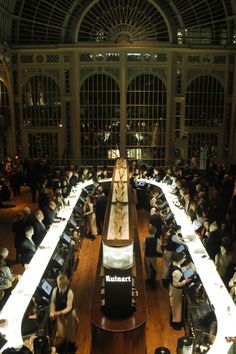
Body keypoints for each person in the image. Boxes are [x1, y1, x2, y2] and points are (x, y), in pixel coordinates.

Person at [49, 274, 79, 354]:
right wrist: (52, 311)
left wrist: (59, 312)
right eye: (58, 283)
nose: (58, 285)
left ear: (65, 283)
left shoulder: (69, 293)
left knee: (71, 332)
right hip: (60, 316)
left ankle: (72, 348)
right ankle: (64, 347)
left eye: (60, 283)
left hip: (69, 315)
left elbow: (69, 307)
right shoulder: (55, 291)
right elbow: (53, 302)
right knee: (61, 332)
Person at [169, 252, 192, 330]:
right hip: (176, 291)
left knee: (175, 306)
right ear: (180, 260)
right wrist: (186, 281)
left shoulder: (172, 264)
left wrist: (186, 267)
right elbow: (176, 284)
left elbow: (180, 270)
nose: (184, 260)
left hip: (173, 289)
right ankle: (176, 324)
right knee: (176, 307)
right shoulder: (177, 272)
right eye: (183, 258)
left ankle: (175, 321)